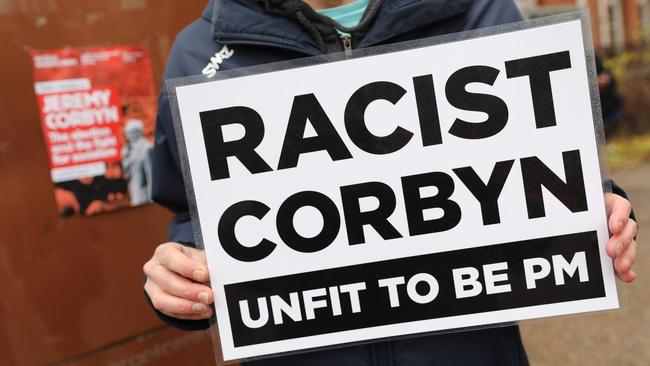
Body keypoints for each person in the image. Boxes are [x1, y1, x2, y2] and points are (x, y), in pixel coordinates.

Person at [143, 1, 639, 365]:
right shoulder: (199, 51)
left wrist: (594, 207)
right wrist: (181, 275)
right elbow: (194, 217)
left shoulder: (479, 12)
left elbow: (535, 173)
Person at [122, 118, 153, 206]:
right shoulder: (126, 150)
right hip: (133, 193)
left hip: (144, 195)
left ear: (138, 132)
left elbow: (150, 174)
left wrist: (152, 196)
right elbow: (126, 173)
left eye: (131, 133)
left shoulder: (147, 148)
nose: (128, 136)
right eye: (127, 133)